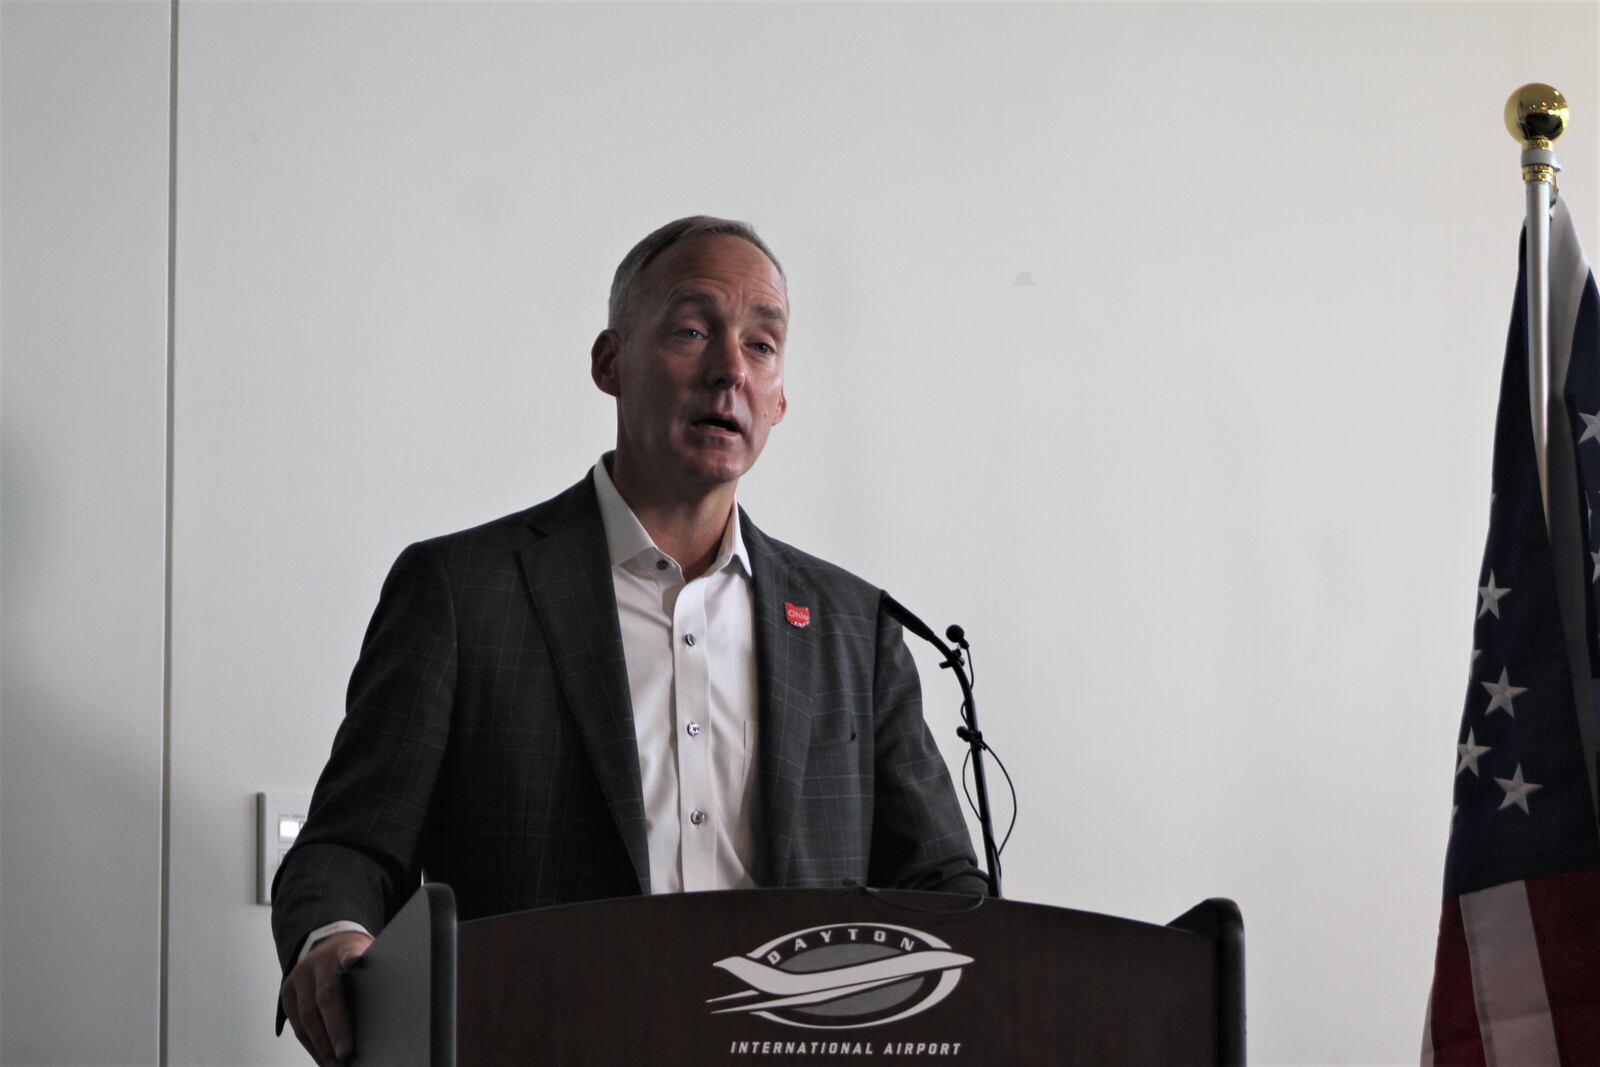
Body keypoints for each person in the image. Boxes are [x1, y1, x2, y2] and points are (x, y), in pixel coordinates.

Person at [271, 216, 985, 1064]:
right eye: (692, 330)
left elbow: (943, 888)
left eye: (762, 346)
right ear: (609, 362)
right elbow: (351, 845)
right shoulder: (464, 592)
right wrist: (333, 936)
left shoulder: (852, 627)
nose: (730, 369)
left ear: (781, 397)